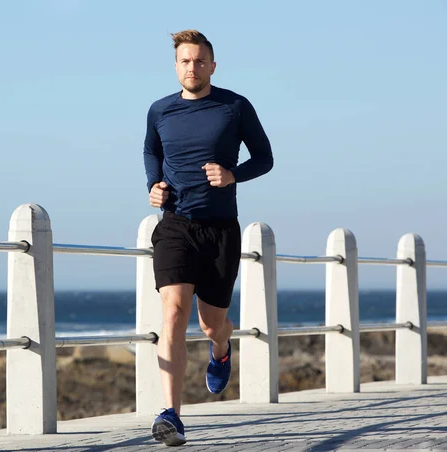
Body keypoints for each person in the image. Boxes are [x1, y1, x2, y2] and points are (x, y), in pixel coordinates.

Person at [143, 29, 274, 446]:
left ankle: (220, 349)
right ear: (176, 65)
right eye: (185, 60)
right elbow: (151, 151)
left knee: (210, 323)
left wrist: (233, 174)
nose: (192, 67)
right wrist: (154, 184)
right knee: (174, 312)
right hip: (175, 224)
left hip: (220, 229)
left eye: (200, 61)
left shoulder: (234, 106)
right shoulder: (160, 111)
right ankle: (171, 415)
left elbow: (265, 157)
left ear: (212, 66)